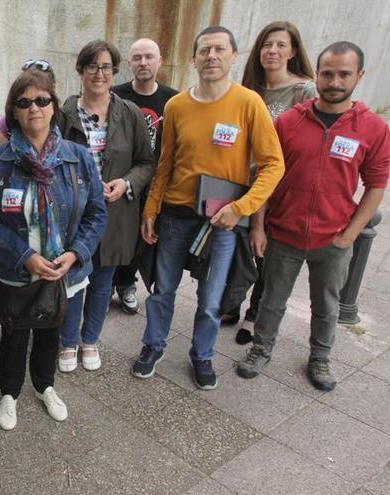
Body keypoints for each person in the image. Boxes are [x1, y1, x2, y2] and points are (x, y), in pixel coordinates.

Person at [135, 26, 284, 390]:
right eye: (204, 50)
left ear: (234, 55)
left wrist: (241, 208)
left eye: (220, 49)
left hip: (223, 221)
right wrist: (151, 209)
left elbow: (273, 164)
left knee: (211, 299)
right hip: (175, 215)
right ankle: (152, 346)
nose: (212, 56)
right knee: (162, 290)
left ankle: (202, 354)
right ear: (194, 59)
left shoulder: (249, 104)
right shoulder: (177, 106)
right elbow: (165, 164)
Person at [237, 41, 390, 391]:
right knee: (272, 299)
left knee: (327, 304)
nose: (335, 81)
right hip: (284, 233)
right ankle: (261, 349)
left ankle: (320, 357)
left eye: (344, 74)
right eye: (328, 73)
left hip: (333, 238)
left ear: (359, 76)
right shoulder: (291, 121)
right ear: (316, 75)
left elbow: (376, 185)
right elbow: (267, 176)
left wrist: (350, 235)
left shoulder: (372, 128)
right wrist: (259, 227)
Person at [0, 69, 106, 430]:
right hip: (16, 269)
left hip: (64, 268)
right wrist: (26, 256)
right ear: (13, 111)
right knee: (15, 332)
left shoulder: (77, 157)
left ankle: (45, 385)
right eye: (23, 102)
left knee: (52, 329)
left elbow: (97, 211)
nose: (33, 107)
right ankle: (9, 392)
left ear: (53, 107)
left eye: (41, 100)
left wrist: (76, 252)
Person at [57, 40, 155, 372]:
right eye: (92, 66)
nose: (99, 73)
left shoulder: (130, 114)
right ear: (80, 71)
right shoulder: (64, 113)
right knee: (73, 280)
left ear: (115, 71)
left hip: (114, 215)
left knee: (102, 282)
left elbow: (146, 161)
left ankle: (90, 341)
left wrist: (126, 183)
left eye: (106, 67)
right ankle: (67, 342)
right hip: (74, 215)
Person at [225, 21, 317, 344]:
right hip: (239, 181)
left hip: (277, 186)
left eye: (280, 45)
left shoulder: (304, 91)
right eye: (267, 45)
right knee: (237, 246)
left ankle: (254, 314)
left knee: (267, 251)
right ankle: (231, 302)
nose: (273, 51)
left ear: (293, 51)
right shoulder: (248, 89)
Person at [111, 38, 179, 315]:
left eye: (149, 57)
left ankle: (127, 284)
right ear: (129, 64)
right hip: (121, 178)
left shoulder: (173, 100)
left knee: (141, 239)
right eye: (137, 58)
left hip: (156, 181)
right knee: (116, 235)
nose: (143, 63)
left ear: (160, 60)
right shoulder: (116, 94)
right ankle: (106, 286)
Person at [0, 58, 57, 146]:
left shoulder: (64, 122)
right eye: (24, 102)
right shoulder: (6, 124)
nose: (34, 109)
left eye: (42, 100)